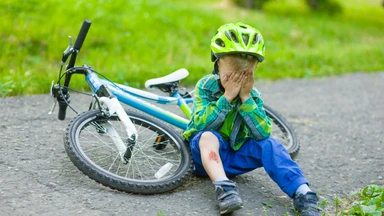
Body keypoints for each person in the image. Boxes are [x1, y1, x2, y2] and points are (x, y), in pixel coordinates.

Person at [182, 22, 322, 215]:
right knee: (207, 136)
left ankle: (302, 193)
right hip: (203, 159)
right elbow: (199, 124)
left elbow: (262, 132)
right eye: (230, 76)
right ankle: (224, 189)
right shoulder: (206, 86)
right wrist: (227, 97)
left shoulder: (253, 95)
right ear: (217, 65)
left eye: (245, 76)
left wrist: (246, 99)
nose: (237, 82)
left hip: (235, 159)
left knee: (270, 144)